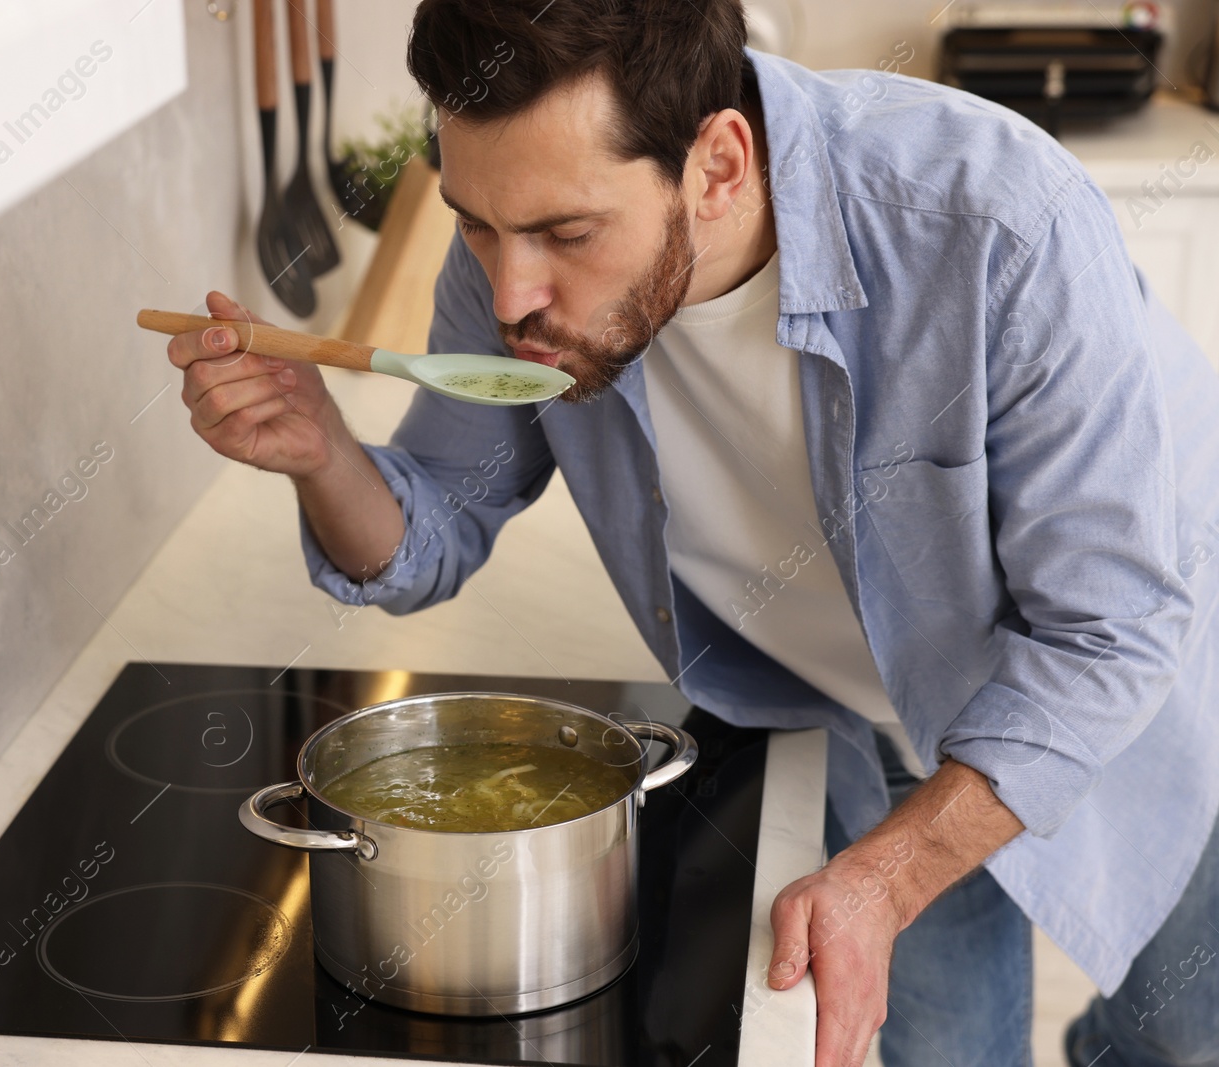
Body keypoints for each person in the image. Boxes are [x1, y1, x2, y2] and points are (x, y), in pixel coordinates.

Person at [167, 1, 1219, 1064]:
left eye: (566, 233)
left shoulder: (994, 223)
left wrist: (880, 878)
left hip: (1144, 674)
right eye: (476, 221)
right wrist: (321, 451)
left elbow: (1107, 631)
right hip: (864, 734)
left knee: (1177, 1033)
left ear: (717, 165)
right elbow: (433, 523)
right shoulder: (506, 249)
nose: (509, 294)